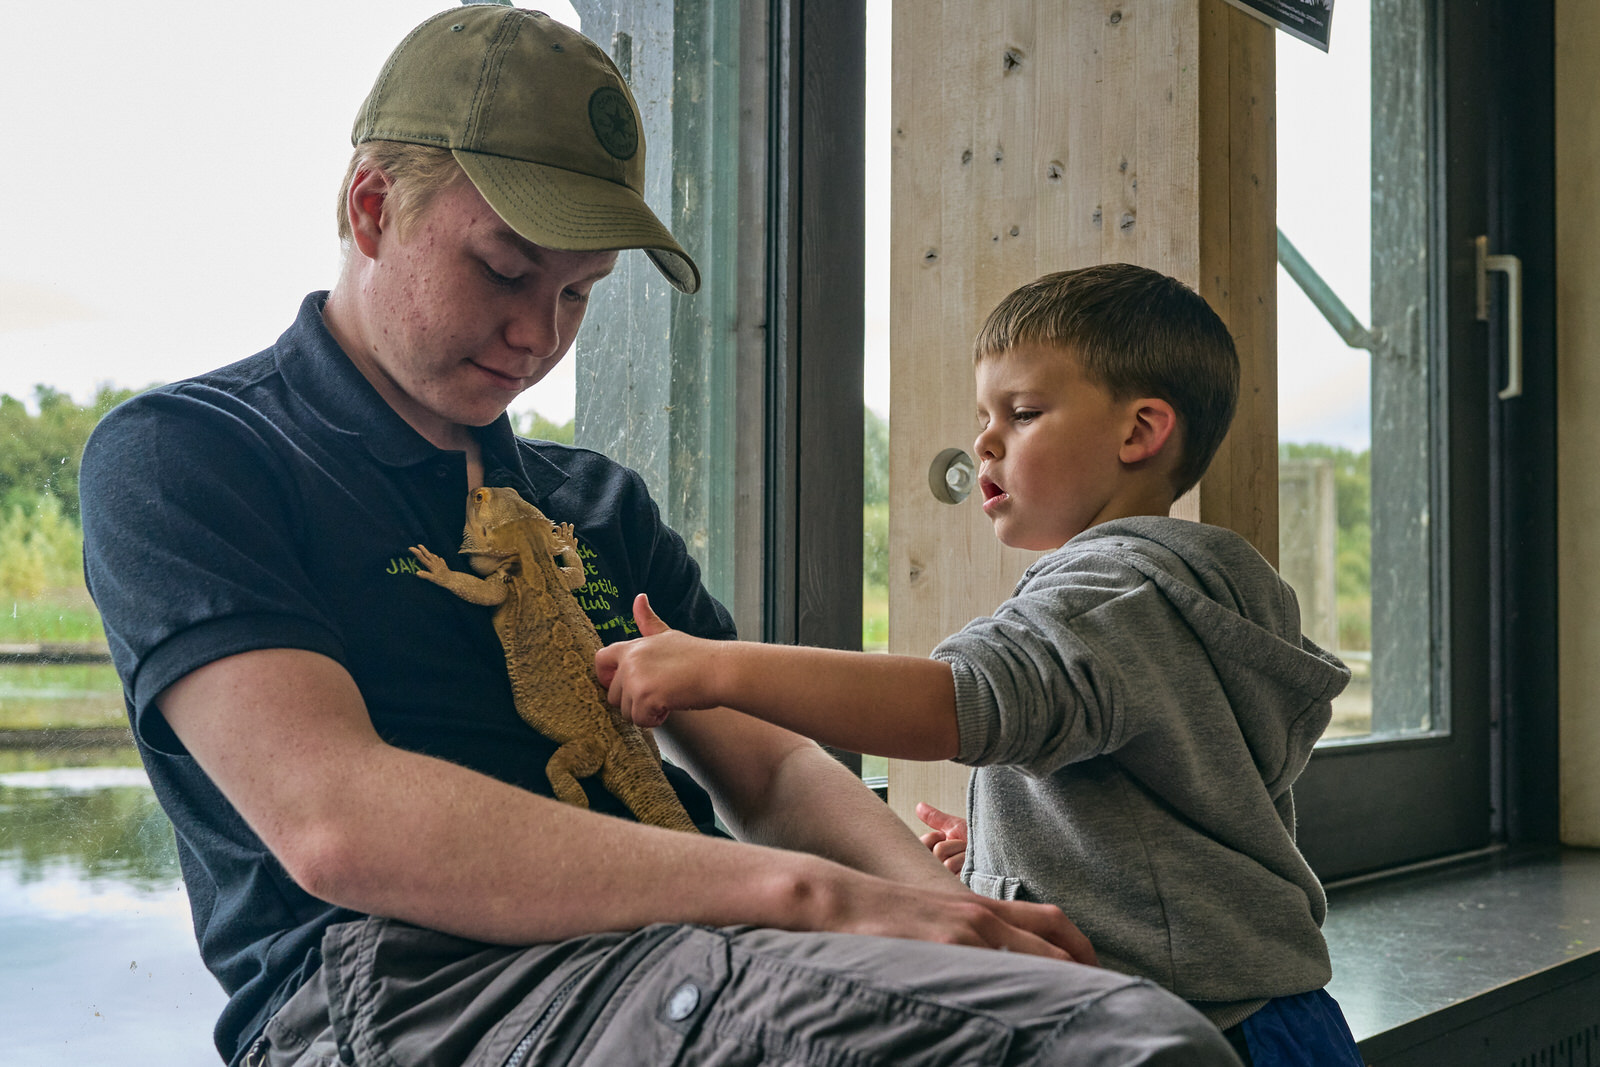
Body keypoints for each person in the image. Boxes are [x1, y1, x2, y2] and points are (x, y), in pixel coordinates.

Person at [79, 8, 1243, 1066]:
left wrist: (953, 915)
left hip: (690, 950)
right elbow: (339, 822)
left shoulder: (595, 503)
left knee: (1098, 1015)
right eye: (506, 269)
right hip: (417, 991)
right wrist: (817, 896)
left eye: (580, 294)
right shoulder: (189, 454)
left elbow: (773, 763)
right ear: (372, 206)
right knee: (1115, 1050)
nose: (539, 333)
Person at [598, 264, 1366, 1066]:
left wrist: (716, 669)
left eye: (1024, 412)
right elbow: (1176, 817)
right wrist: (1015, 852)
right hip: (1284, 1020)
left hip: (1189, 1031)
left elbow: (956, 701)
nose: (985, 440)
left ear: (1140, 431)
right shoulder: (1202, 592)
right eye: (983, 414)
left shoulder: (1109, 594)